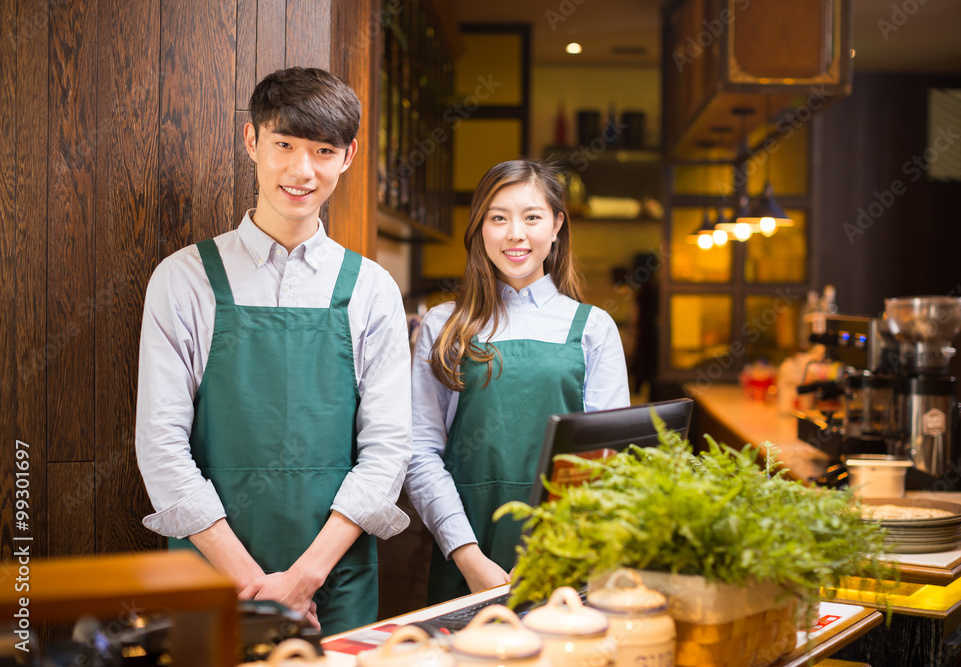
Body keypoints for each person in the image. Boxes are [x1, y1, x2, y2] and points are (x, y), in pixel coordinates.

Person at [135, 67, 412, 634]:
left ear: (348, 156)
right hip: (211, 573)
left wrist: (302, 580)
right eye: (283, 144)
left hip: (332, 578)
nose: (300, 170)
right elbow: (161, 446)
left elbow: (387, 453)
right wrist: (253, 584)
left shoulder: (372, 289)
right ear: (251, 141)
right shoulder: (182, 279)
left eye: (322, 150)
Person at [406, 159, 630, 604]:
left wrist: (552, 553)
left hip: (568, 558)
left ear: (556, 226)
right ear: (479, 228)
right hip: (466, 556)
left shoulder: (593, 327)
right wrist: (469, 557)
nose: (515, 234)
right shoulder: (442, 325)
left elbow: (610, 461)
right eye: (498, 217)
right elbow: (418, 452)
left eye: (532, 217)